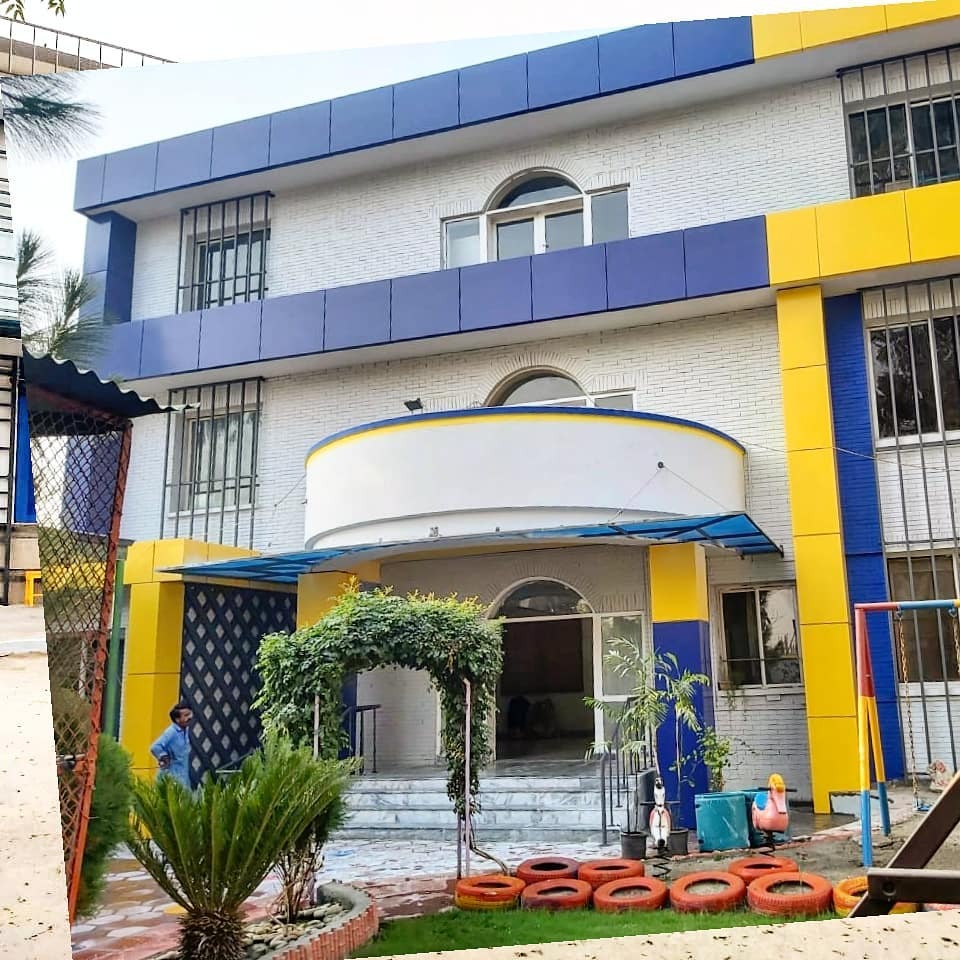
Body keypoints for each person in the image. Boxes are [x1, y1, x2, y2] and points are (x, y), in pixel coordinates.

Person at [150, 702, 193, 789]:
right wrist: (164, 757)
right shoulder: (171, 732)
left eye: (190, 714)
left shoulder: (185, 730)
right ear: (177, 719)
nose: (189, 717)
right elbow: (155, 747)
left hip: (183, 773)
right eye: (186, 715)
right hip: (172, 775)